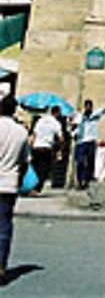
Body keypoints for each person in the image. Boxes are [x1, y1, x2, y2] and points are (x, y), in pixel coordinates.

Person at [0, 94, 29, 287]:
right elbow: (25, 161)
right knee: (4, 225)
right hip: (8, 184)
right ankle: (1, 265)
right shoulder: (21, 133)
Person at [71, 97, 105, 190]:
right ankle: (80, 181)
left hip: (91, 141)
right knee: (80, 162)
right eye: (87, 106)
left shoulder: (95, 115)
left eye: (90, 106)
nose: (88, 108)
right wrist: (74, 133)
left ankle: (88, 180)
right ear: (85, 107)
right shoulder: (79, 117)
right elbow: (73, 127)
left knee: (90, 161)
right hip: (81, 142)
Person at [29, 108, 62, 192]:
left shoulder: (40, 120)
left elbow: (34, 135)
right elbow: (61, 138)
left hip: (36, 147)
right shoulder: (56, 123)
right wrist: (59, 149)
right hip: (46, 148)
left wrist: (31, 147)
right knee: (44, 169)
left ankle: (32, 186)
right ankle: (37, 188)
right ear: (57, 113)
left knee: (35, 168)